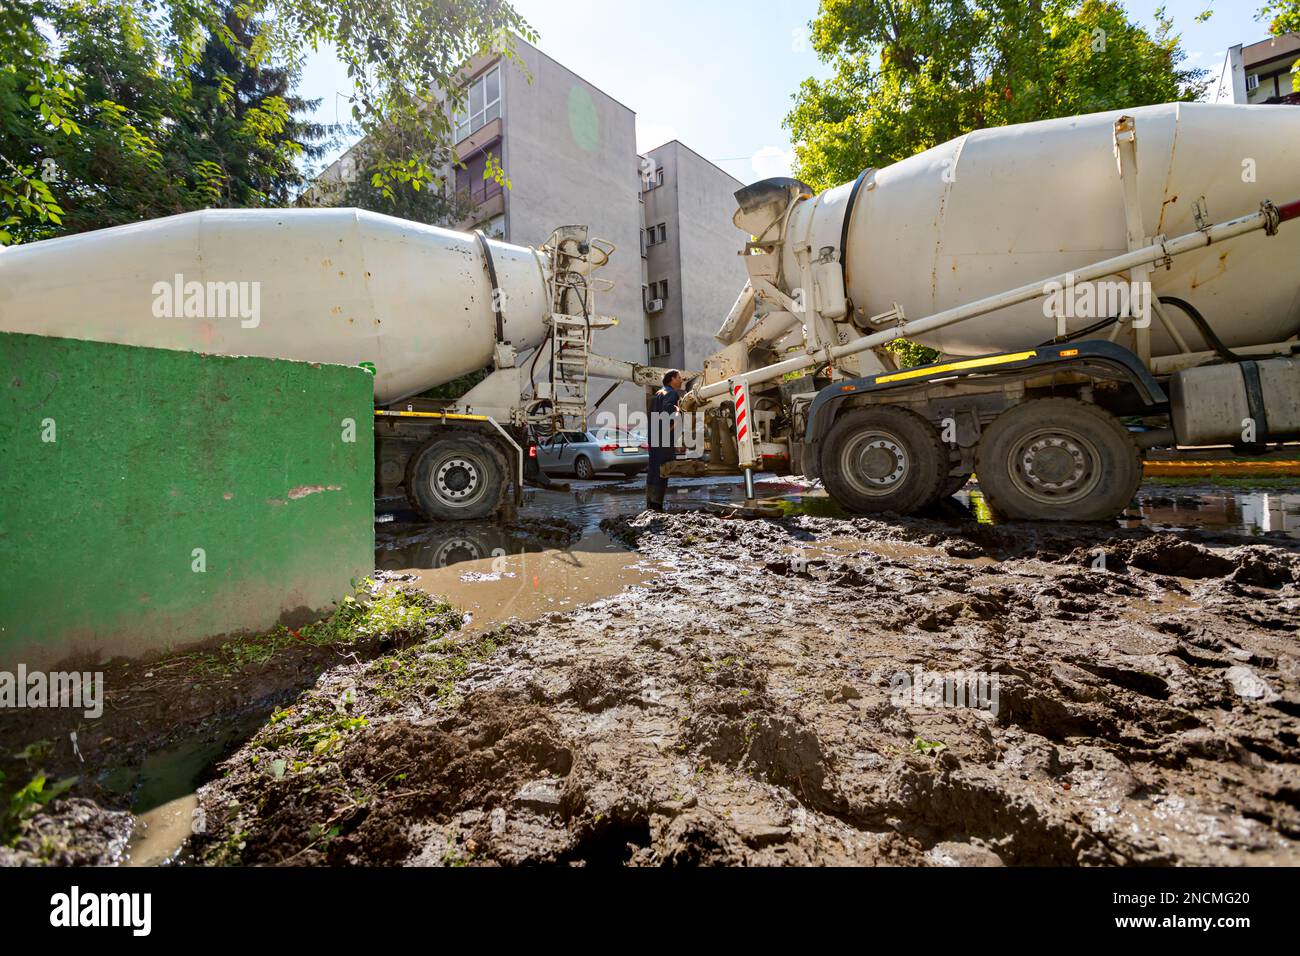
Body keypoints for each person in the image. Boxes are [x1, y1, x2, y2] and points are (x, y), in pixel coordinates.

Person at [646, 369, 683, 511]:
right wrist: (679, 414)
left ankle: (651, 503)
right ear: (672, 379)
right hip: (664, 439)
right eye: (679, 377)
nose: (681, 380)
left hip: (654, 436)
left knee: (654, 468)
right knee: (663, 469)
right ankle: (657, 504)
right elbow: (668, 411)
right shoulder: (672, 393)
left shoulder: (657, 394)